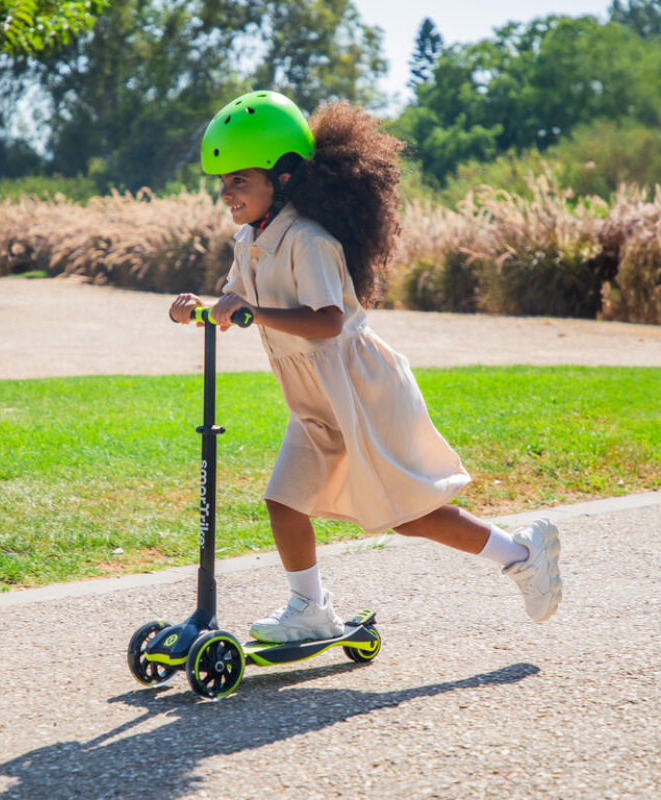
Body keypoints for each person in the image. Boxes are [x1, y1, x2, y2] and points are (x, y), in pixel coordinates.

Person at [169, 90, 562, 643]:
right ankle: (310, 609)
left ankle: (522, 554)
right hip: (314, 401)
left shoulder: (308, 239)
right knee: (283, 502)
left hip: (360, 391)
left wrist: (251, 312)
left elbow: (329, 320)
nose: (226, 193)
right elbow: (235, 304)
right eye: (224, 181)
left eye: (240, 180)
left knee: (406, 514)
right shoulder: (248, 241)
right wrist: (199, 311)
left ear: (282, 179)